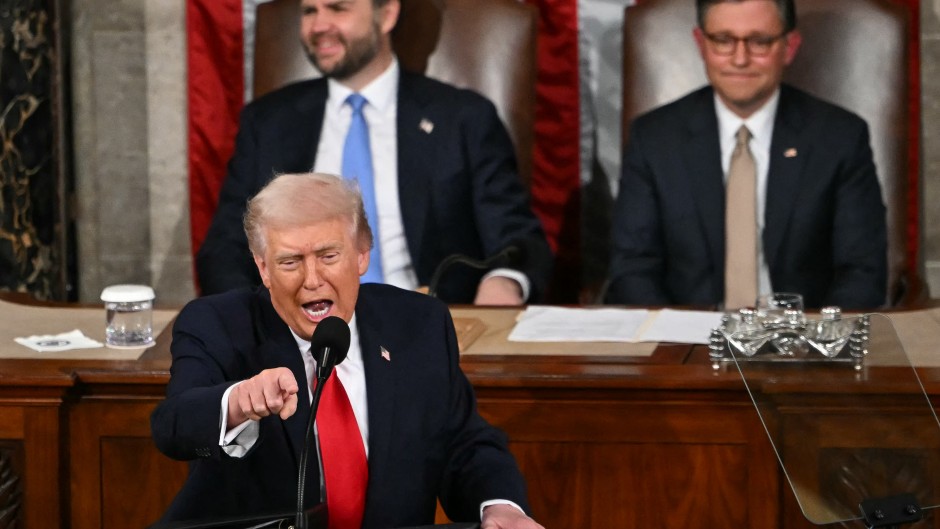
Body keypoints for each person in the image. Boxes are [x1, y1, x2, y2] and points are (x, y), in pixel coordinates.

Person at [152, 172, 543, 529]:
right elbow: (174, 426)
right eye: (290, 261)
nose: (312, 279)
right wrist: (238, 401)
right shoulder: (217, 325)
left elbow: (464, 444)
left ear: (361, 254)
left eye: (328, 256)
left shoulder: (417, 326)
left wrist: (500, 506)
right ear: (263, 268)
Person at [195, 0, 552, 306]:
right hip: (300, 336)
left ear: (387, 14)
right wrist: (260, 325)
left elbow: (518, 242)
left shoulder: (463, 119)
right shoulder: (269, 122)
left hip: (427, 333)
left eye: (338, 8)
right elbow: (225, 250)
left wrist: (503, 282)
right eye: (308, 11)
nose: (319, 25)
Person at [606, 0, 887, 310]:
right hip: (687, 344)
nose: (740, 59)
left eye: (760, 42)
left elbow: (862, 272)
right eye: (723, 41)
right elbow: (632, 270)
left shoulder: (840, 138)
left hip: (803, 343)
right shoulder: (655, 138)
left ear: (789, 46)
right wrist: (676, 342)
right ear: (701, 44)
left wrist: (816, 344)